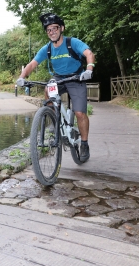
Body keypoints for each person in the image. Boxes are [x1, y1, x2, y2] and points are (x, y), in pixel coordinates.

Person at [16, 13, 95, 161]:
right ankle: (55, 120)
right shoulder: (47, 48)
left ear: (62, 28)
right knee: (48, 88)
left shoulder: (72, 42)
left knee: (79, 113)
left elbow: (89, 53)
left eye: (55, 28)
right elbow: (33, 64)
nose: (52, 32)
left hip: (76, 78)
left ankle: (84, 143)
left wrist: (89, 69)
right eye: (49, 30)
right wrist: (21, 77)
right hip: (59, 79)